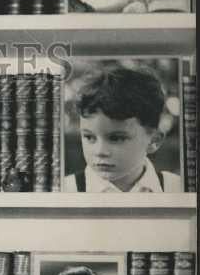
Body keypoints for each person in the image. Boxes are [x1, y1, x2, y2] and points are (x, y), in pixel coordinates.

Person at [64, 63, 181, 193]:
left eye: (116, 138)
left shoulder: (177, 188)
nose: (100, 151)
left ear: (154, 141)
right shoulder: (67, 190)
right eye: (89, 137)